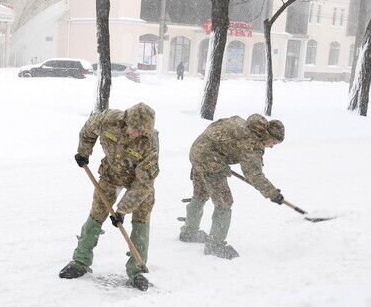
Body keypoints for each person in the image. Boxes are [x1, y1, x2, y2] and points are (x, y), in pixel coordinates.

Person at [59, 103, 159, 290]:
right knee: (96, 214)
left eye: (142, 131)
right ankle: (80, 261)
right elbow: (88, 130)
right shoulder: (108, 120)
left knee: (141, 220)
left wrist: (122, 210)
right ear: (126, 121)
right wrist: (83, 152)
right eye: (135, 129)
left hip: (138, 184)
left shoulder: (150, 142)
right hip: (111, 175)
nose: (137, 133)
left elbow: (144, 183)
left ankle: (137, 271)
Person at [179, 114, 285, 259]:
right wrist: (272, 193)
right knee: (224, 202)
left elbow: (218, 129)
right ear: (268, 135)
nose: (271, 146)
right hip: (209, 158)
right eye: (273, 142)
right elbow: (253, 174)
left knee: (201, 193)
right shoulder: (252, 143)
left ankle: (189, 232)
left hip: (198, 149)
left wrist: (219, 155)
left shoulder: (245, 124)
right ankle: (215, 246)